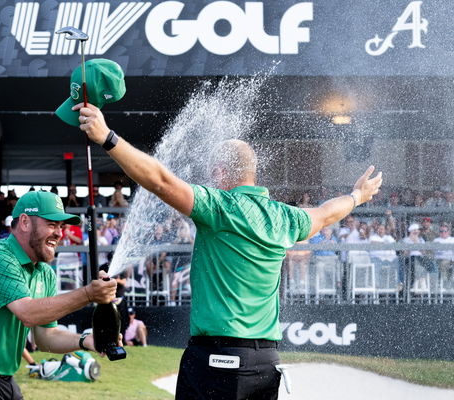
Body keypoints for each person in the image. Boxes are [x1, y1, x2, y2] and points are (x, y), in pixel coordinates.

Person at [74, 101, 382, 399]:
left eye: (212, 173)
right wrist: (358, 195)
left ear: (221, 172)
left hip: (216, 360)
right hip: (265, 362)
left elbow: (159, 181)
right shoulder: (285, 216)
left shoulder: (219, 207)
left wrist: (107, 137)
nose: (209, 179)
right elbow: (327, 212)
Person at [0, 191, 118, 399]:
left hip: (3, 378)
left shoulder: (45, 274)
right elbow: (28, 313)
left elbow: (45, 337)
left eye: (61, 226)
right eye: (51, 224)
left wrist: (87, 340)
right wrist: (88, 294)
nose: (59, 233)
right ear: (24, 222)